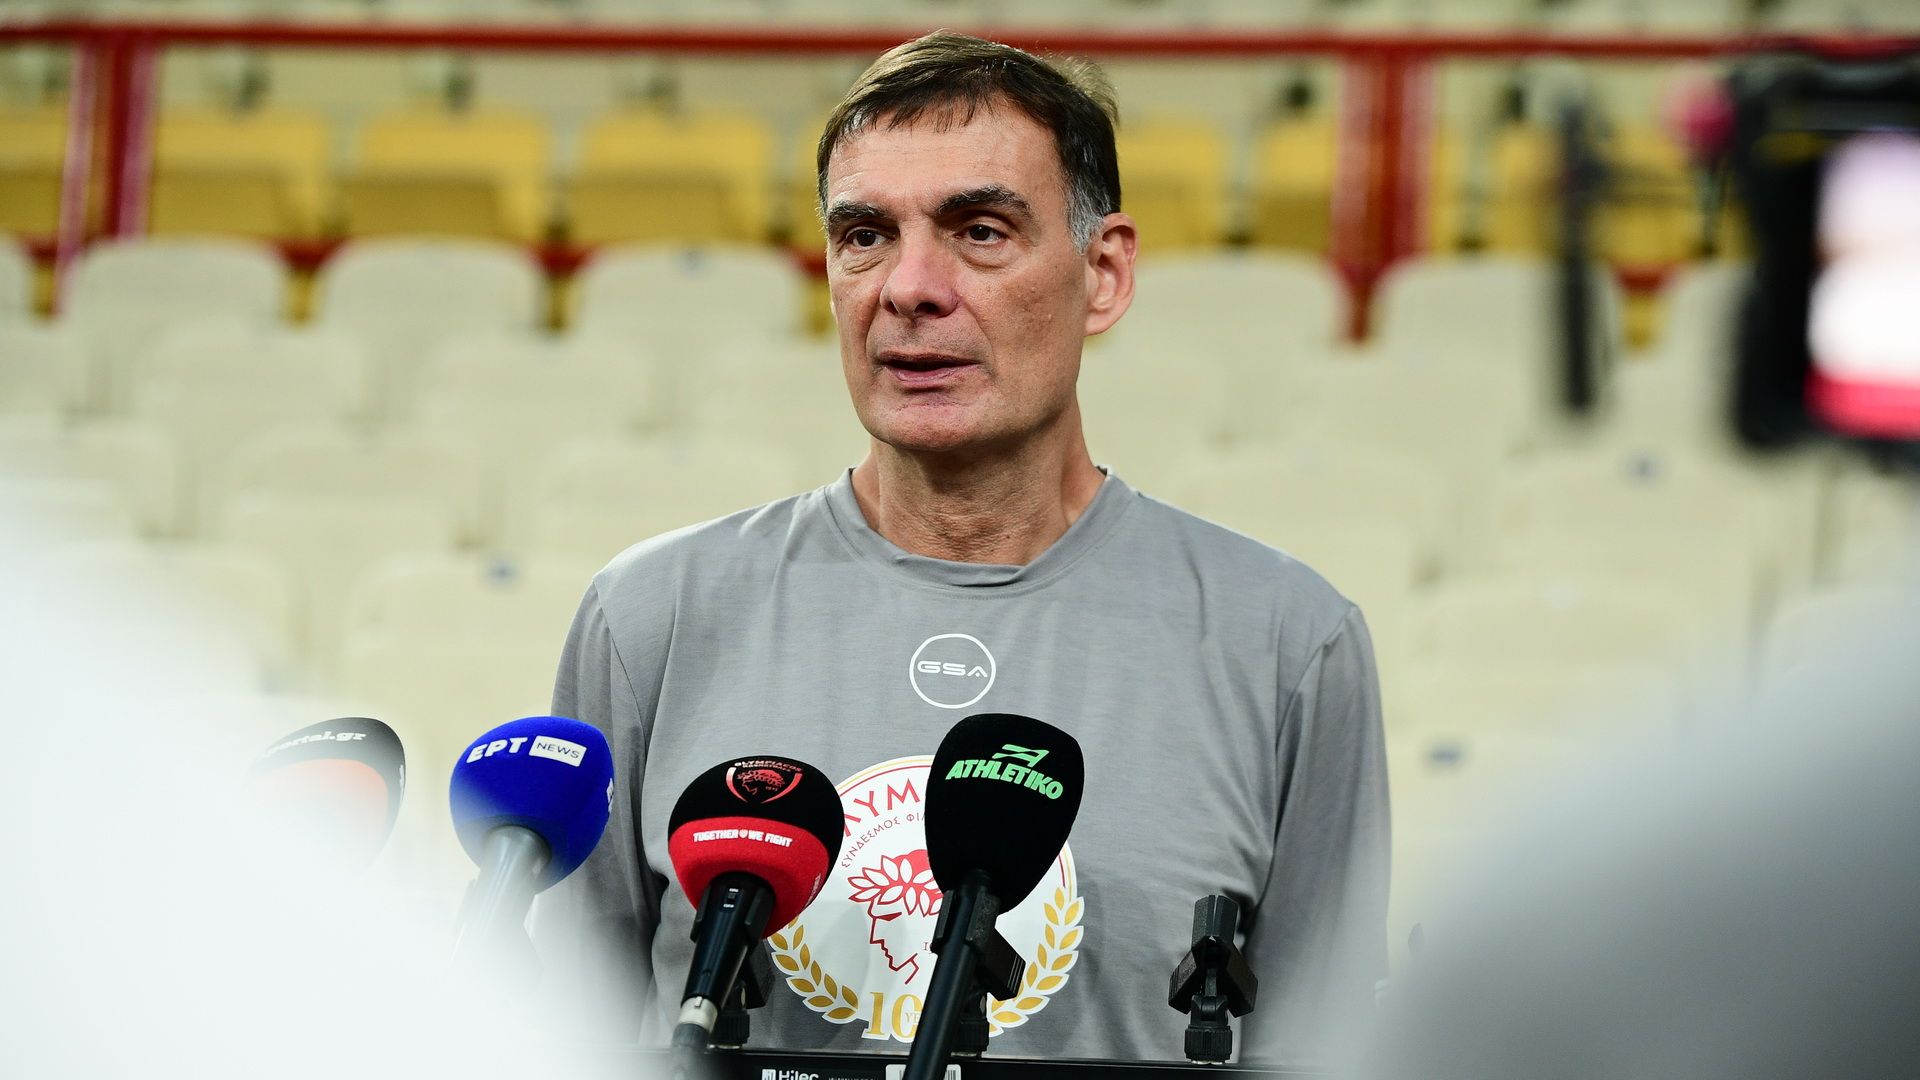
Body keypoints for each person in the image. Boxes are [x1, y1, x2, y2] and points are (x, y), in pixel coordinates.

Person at [538, 31, 1388, 1065]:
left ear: (1104, 272)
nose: (909, 287)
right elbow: (554, 1044)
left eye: (979, 231)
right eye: (864, 236)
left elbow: (1327, 1052)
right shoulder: (650, 618)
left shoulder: (1289, 643)